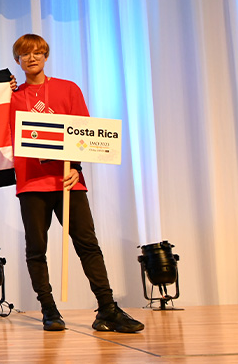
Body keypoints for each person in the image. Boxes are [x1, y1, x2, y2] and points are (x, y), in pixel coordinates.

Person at [10, 33, 143, 333]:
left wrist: (77, 167)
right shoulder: (13, 98)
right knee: (36, 249)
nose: (32, 58)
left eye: (37, 52)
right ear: (17, 60)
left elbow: (83, 131)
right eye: (25, 54)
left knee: (88, 245)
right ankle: (48, 310)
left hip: (69, 181)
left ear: (46, 56)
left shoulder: (68, 89)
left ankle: (107, 309)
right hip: (32, 183)